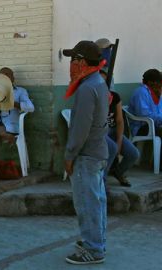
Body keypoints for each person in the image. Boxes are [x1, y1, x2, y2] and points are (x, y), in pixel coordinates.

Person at [62, 40, 109, 265]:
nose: (70, 64)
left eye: (73, 59)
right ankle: (96, 241)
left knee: (87, 202)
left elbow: (80, 128)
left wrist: (70, 155)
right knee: (97, 200)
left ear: (81, 62)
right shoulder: (98, 81)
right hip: (98, 152)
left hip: (87, 154)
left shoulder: (87, 88)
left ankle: (94, 249)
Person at [100, 69, 139, 187]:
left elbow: (120, 121)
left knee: (133, 154)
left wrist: (119, 141)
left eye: (105, 81)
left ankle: (118, 172)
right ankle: (102, 181)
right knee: (111, 149)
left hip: (112, 131)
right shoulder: (93, 97)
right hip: (100, 131)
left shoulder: (115, 97)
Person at [128, 69, 162, 137]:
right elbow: (144, 115)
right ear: (150, 82)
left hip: (155, 124)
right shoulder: (141, 92)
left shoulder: (156, 92)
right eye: (158, 82)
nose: (160, 84)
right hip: (142, 127)